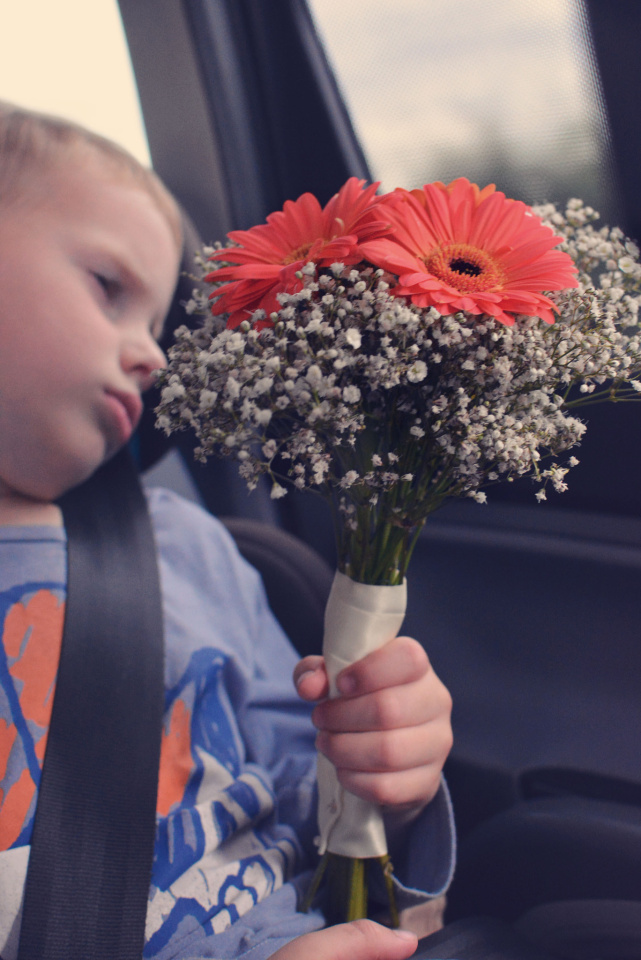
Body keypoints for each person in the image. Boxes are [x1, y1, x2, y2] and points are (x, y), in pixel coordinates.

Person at [0, 102, 455, 960]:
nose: (153, 354)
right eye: (108, 287)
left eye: (156, 324)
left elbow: (308, 802)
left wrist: (389, 778)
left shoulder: (185, 546)